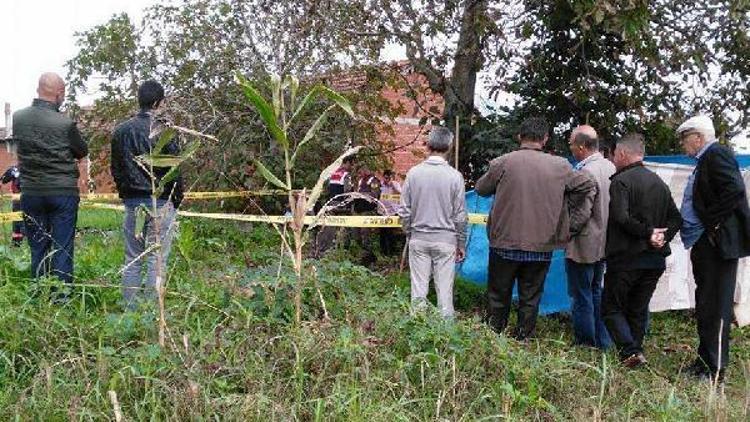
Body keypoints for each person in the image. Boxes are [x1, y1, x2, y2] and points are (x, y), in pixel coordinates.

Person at [475, 117, 596, 340]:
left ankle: (493, 339)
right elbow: (588, 184)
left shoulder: (502, 163)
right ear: (545, 139)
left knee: (498, 296)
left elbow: (481, 189)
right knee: (530, 298)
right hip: (542, 245)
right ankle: (524, 339)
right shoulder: (560, 166)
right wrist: (569, 219)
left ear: (519, 137)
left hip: (504, 243)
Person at [677, 116, 750, 382]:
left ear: (698, 137)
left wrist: (713, 224)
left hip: (718, 246)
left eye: (685, 139)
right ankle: (704, 362)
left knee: (716, 307)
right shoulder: (706, 159)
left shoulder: (716, 153)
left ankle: (715, 369)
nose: (683, 146)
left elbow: (734, 190)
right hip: (708, 245)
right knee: (706, 304)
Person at [602, 133, 681, 368]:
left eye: (615, 154)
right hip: (655, 260)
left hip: (626, 258)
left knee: (611, 308)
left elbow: (620, 217)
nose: (614, 159)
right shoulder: (658, 182)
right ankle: (636, 355)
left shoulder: (620, 181)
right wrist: (662, 237)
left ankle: (630, 351)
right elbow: (676, 219)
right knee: (637, 309)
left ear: (623, 154)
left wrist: (648, 233)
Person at [111, 80, 184, 310]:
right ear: (159, 102)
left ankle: (129, 309)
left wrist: (126, 193)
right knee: (157, 256)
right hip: (161, 201)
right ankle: (153, 310)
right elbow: (174, 168)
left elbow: (116, 168)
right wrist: (176, 199)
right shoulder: (165, 130)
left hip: (133, 202)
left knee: (133, 256)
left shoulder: (121, 131)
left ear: (139, 100)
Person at [13, 72, 88, 292]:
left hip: (31, 191)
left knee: (37, 247)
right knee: (62, 247)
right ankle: (62, 297)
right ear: (59, 94)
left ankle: (40, 293)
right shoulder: (65, 124)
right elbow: (82, 150)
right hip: (62, 192)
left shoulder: (18, 118)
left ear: (38, 90)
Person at [399, 126, 467, 318]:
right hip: (446, 240)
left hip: (418, 239)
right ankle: (445, 336)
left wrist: (409, 232)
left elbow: (404, 210)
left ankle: (417, 329)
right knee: (445, 293)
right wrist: (461, 242)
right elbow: (460, 215)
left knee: (418, 290)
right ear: (449, 147)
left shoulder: (413, 173)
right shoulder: (455, 176)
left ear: (428, 145)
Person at [565, 125, 616, 349]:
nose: (570, 149)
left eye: (571, 144)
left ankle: (585, 342)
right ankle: (602, 341)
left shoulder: (585, 172)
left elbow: (581, 213)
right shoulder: (611, 166)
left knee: (581, 295)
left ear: (582, 147)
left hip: (584, 244)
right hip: (606, 242)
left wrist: (565, 232)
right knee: (597, 292)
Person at [379, 169, 402, 255]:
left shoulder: (395, 184)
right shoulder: (380, 185)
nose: (387, 180)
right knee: (383, 233)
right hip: (382, 212)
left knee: (391, 233)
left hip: (392, 212)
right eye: (385, 178)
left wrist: (392, 186)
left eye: (389, 178)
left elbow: (400, 194)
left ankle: (392, 252)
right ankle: (383, 252)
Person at [1, 165, 24, 246]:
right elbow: (3, 180)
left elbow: (3, 180)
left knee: (18, 220)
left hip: (20, 198)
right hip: (30, 197)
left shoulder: (15, 169)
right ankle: (17, 242)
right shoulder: (15, 170)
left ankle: (17, 243)